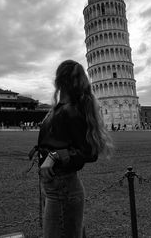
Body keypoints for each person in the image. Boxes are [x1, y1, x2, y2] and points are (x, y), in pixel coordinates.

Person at [37, 59, 113, 238]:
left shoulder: (72, 111)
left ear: (58, 80)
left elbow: (90, 151)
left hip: (63, 189)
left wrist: (54, 156)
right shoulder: (60, 109)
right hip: (54, 187)